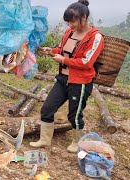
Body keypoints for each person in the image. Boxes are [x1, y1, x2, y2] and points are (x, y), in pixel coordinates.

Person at [29, 0, 104, 153]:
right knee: (47, 109)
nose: (70, 25)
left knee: (74, 115)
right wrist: (52, 50)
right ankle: (44, 140)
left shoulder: (95, 38)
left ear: (84, 17)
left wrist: (63, 60)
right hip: (63, 79)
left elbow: (86, 62)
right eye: (68, 22)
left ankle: (78, 142)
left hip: (80, 82)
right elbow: (63, 49)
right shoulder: (69, 32)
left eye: (73, 21)